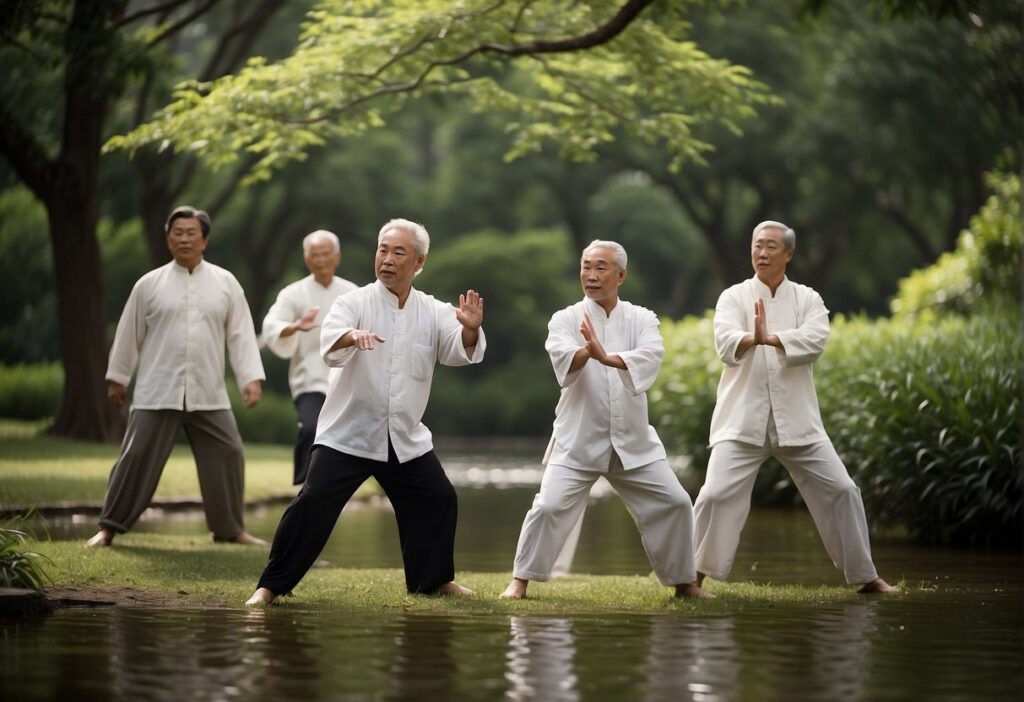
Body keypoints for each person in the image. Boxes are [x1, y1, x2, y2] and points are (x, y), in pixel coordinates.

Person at [246, 218, 485, 605]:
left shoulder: (434, 310)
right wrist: (351, 336)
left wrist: (471, 329)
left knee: (438, 498)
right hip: (348, 433)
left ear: (419, 261)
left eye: (398, 253)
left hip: (403, 436)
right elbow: (331, 338)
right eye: (382, 250)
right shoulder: (353, 302)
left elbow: (459, 349)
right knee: (312, 503)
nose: (387, 260)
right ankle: (270, 586)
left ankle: (433, 580)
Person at [693, 220, 897, 593]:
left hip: (798, 423)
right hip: (742, 421)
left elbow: (815, 340)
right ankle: (691, 579)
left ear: (789, 253)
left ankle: (867, 577)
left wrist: (770, 337)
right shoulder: (733, 297)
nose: (762, 253)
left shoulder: (808, 299)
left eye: (771, 246)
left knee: (843, 491)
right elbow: (724, 342)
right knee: (714, 495)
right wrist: (749, 339)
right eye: (757, 245)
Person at [501, 240, 712, 600]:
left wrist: (608, 356)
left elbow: (650, 357)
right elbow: (563, 361)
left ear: (621, 274)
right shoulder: (565, 318)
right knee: (549, 506)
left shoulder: (643, 318)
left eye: (601, 267)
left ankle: (684, 584)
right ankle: (520, 581)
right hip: (578, 439)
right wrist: (589, 350)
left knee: (676, 502)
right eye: (586, 267)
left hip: (633, 441)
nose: (591, 275)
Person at [86, 205, 267, 548]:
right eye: (177, 233)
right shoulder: (149, 285)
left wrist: (250, 379)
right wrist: (118, 378)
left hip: (209, 391)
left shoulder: (226, 283)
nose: (184, 239)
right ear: (168, 240)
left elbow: (241, 335)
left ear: (204, 240)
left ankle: (230, 530)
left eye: (191, 233)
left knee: (229, 451)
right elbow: (128, 334)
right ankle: (108, 528)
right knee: (136, 454)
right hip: (158, 389)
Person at [261, 230, 358, 485]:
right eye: (315, 255)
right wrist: (294, 326)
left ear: (337, 257)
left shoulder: (353, 293)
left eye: (326, 254)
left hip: (346, 380)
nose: (321, 260)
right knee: (312, 429)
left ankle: (329, 484)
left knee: (343, 438)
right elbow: (272, 323)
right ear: (307, 259)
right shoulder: (293, 293)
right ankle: (303, 482)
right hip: (310, 378)